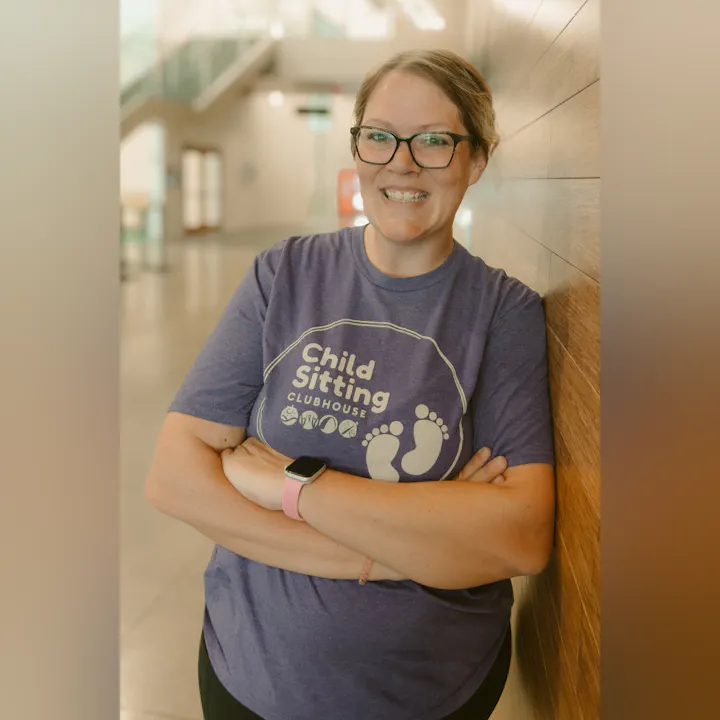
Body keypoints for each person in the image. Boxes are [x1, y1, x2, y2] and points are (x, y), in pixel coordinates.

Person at [145, 48, 555, 720]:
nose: (401, 162)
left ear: (477, 160)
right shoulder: (283, 276)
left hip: (432, 691)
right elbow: (172, 477)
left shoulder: (504, 313)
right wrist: (400, 554)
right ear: (359, 147)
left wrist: (291, 487)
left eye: (433, 141)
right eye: (380, 136)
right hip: (246, 675)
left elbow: (520, 537)